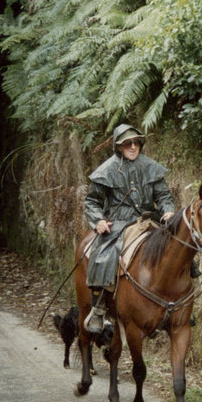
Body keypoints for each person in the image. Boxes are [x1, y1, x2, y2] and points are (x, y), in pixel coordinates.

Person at [83, 124, 176, 333]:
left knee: (179, 246)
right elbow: (92, 202)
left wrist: (168, 211)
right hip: (119, 223)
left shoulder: (151, 166)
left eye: (136, 142)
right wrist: (98, 220)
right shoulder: (106, 171)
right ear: (119, 147)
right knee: (103, 254)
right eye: (127, 143)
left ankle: (180, 303)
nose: (133, 147)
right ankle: (99, 308)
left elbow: (163, 196)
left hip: (150, 220)